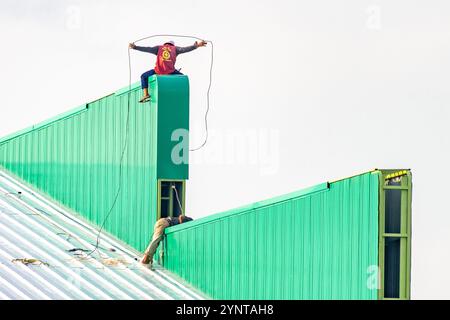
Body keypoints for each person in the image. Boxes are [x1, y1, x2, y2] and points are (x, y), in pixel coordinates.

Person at [129, 40, 207, 103]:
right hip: (170, 71)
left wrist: (134, 47)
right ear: (172, 45)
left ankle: (146, 94)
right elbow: (185, 49)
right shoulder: (175, 49)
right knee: (182, 77)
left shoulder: (159, 48)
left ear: (165, 44)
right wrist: (196, 45)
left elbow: (147, 49)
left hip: (158, 71)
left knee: (143, 76)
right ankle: (178, 94)